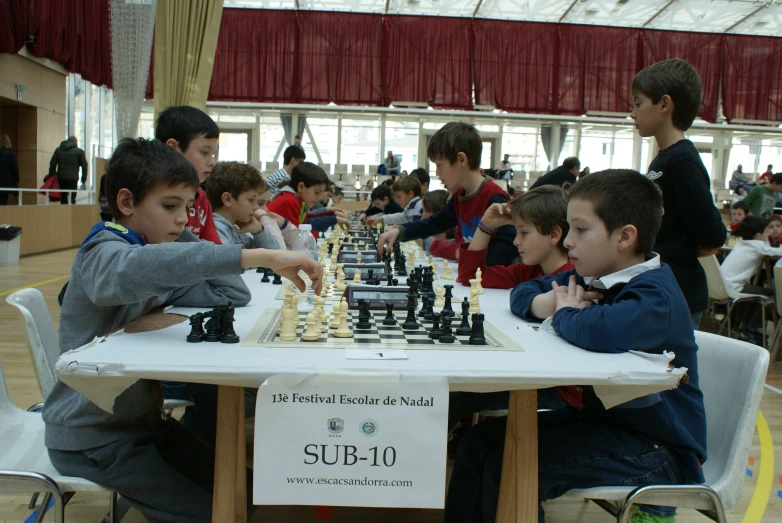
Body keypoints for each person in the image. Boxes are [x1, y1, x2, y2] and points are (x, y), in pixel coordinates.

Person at [43, 138, 322, 523]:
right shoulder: (104, 253)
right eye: (170, 207)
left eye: (187, 209)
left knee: (249, 494)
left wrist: (185, 236)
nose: (181, 219)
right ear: (126, 203)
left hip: (146, 424)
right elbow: (144, 268)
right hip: (94, 437)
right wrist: (261, 255)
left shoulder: (155, 245)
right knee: (213, 514)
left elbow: (232, 292)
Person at [445, 169, 706, 523]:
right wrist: (547, 305)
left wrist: (565, 313)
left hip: (658, 448)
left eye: (581, 230)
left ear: (624, 237)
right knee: (479, 444)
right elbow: (525, 292)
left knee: (514, 467)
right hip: (607, 424)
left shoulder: (655, 295)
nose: (568, 241)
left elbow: (600, 330)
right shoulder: (592, 277)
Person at [631, 58, 727, 328]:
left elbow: (712, 233)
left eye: (638, 103)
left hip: (679, 292)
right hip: (659, 286)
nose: (632, 113)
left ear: (664, 104)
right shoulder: (663, 160)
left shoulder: (682, 161)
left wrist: (681, 247)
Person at [377, 122, 517, 267]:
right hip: (472, 274)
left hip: (495, 282)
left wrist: (464, 254)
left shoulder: (494, 196)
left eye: (439, 165)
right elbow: (434, 223)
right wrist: (399, 231)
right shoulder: (459, 196)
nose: (437, 173)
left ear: (461, 159)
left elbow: (511, 246)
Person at [457, 186, 573, 289]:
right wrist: (486, 226)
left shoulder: (574, 281)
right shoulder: (528, 271)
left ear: (553, 235)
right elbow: (471, 276)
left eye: (524, 232)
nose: (516, 241)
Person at [155, 106, 222, 244]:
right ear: (173, 148)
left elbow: (215, 250)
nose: (212, 162)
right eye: (204, 152)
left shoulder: (202, 198)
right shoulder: (152, 194)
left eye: (213, 154)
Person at [206, 161, 279, 249]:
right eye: (251, 200)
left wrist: (259, 231)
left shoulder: (239, 228)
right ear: (227, 199)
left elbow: (275, 253)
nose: (256, 207)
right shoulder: (216, 231)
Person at [267, 162, 348, 238]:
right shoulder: (288, 201)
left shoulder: (297, 200)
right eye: (316, 192)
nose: (319, 198)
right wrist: (333, 219)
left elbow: (306, 221)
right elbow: (297, 237)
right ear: (301, 187)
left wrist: (332, 214)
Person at [49, 135, 88, 205]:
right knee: (72, 198)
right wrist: (84, 178)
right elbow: (84, 166)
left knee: (63, 196)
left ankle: (64, 212)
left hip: (61, 177)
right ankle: (72, 212)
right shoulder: (79, 152)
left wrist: (51, 174)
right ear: (75, 142)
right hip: (73, 178)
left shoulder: (58, 150)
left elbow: (52, 163)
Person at [0, 134, 19, 206]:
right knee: (3, 201)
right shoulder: (10, 154)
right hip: (6, 183)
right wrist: (16, 181)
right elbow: (15, 169)